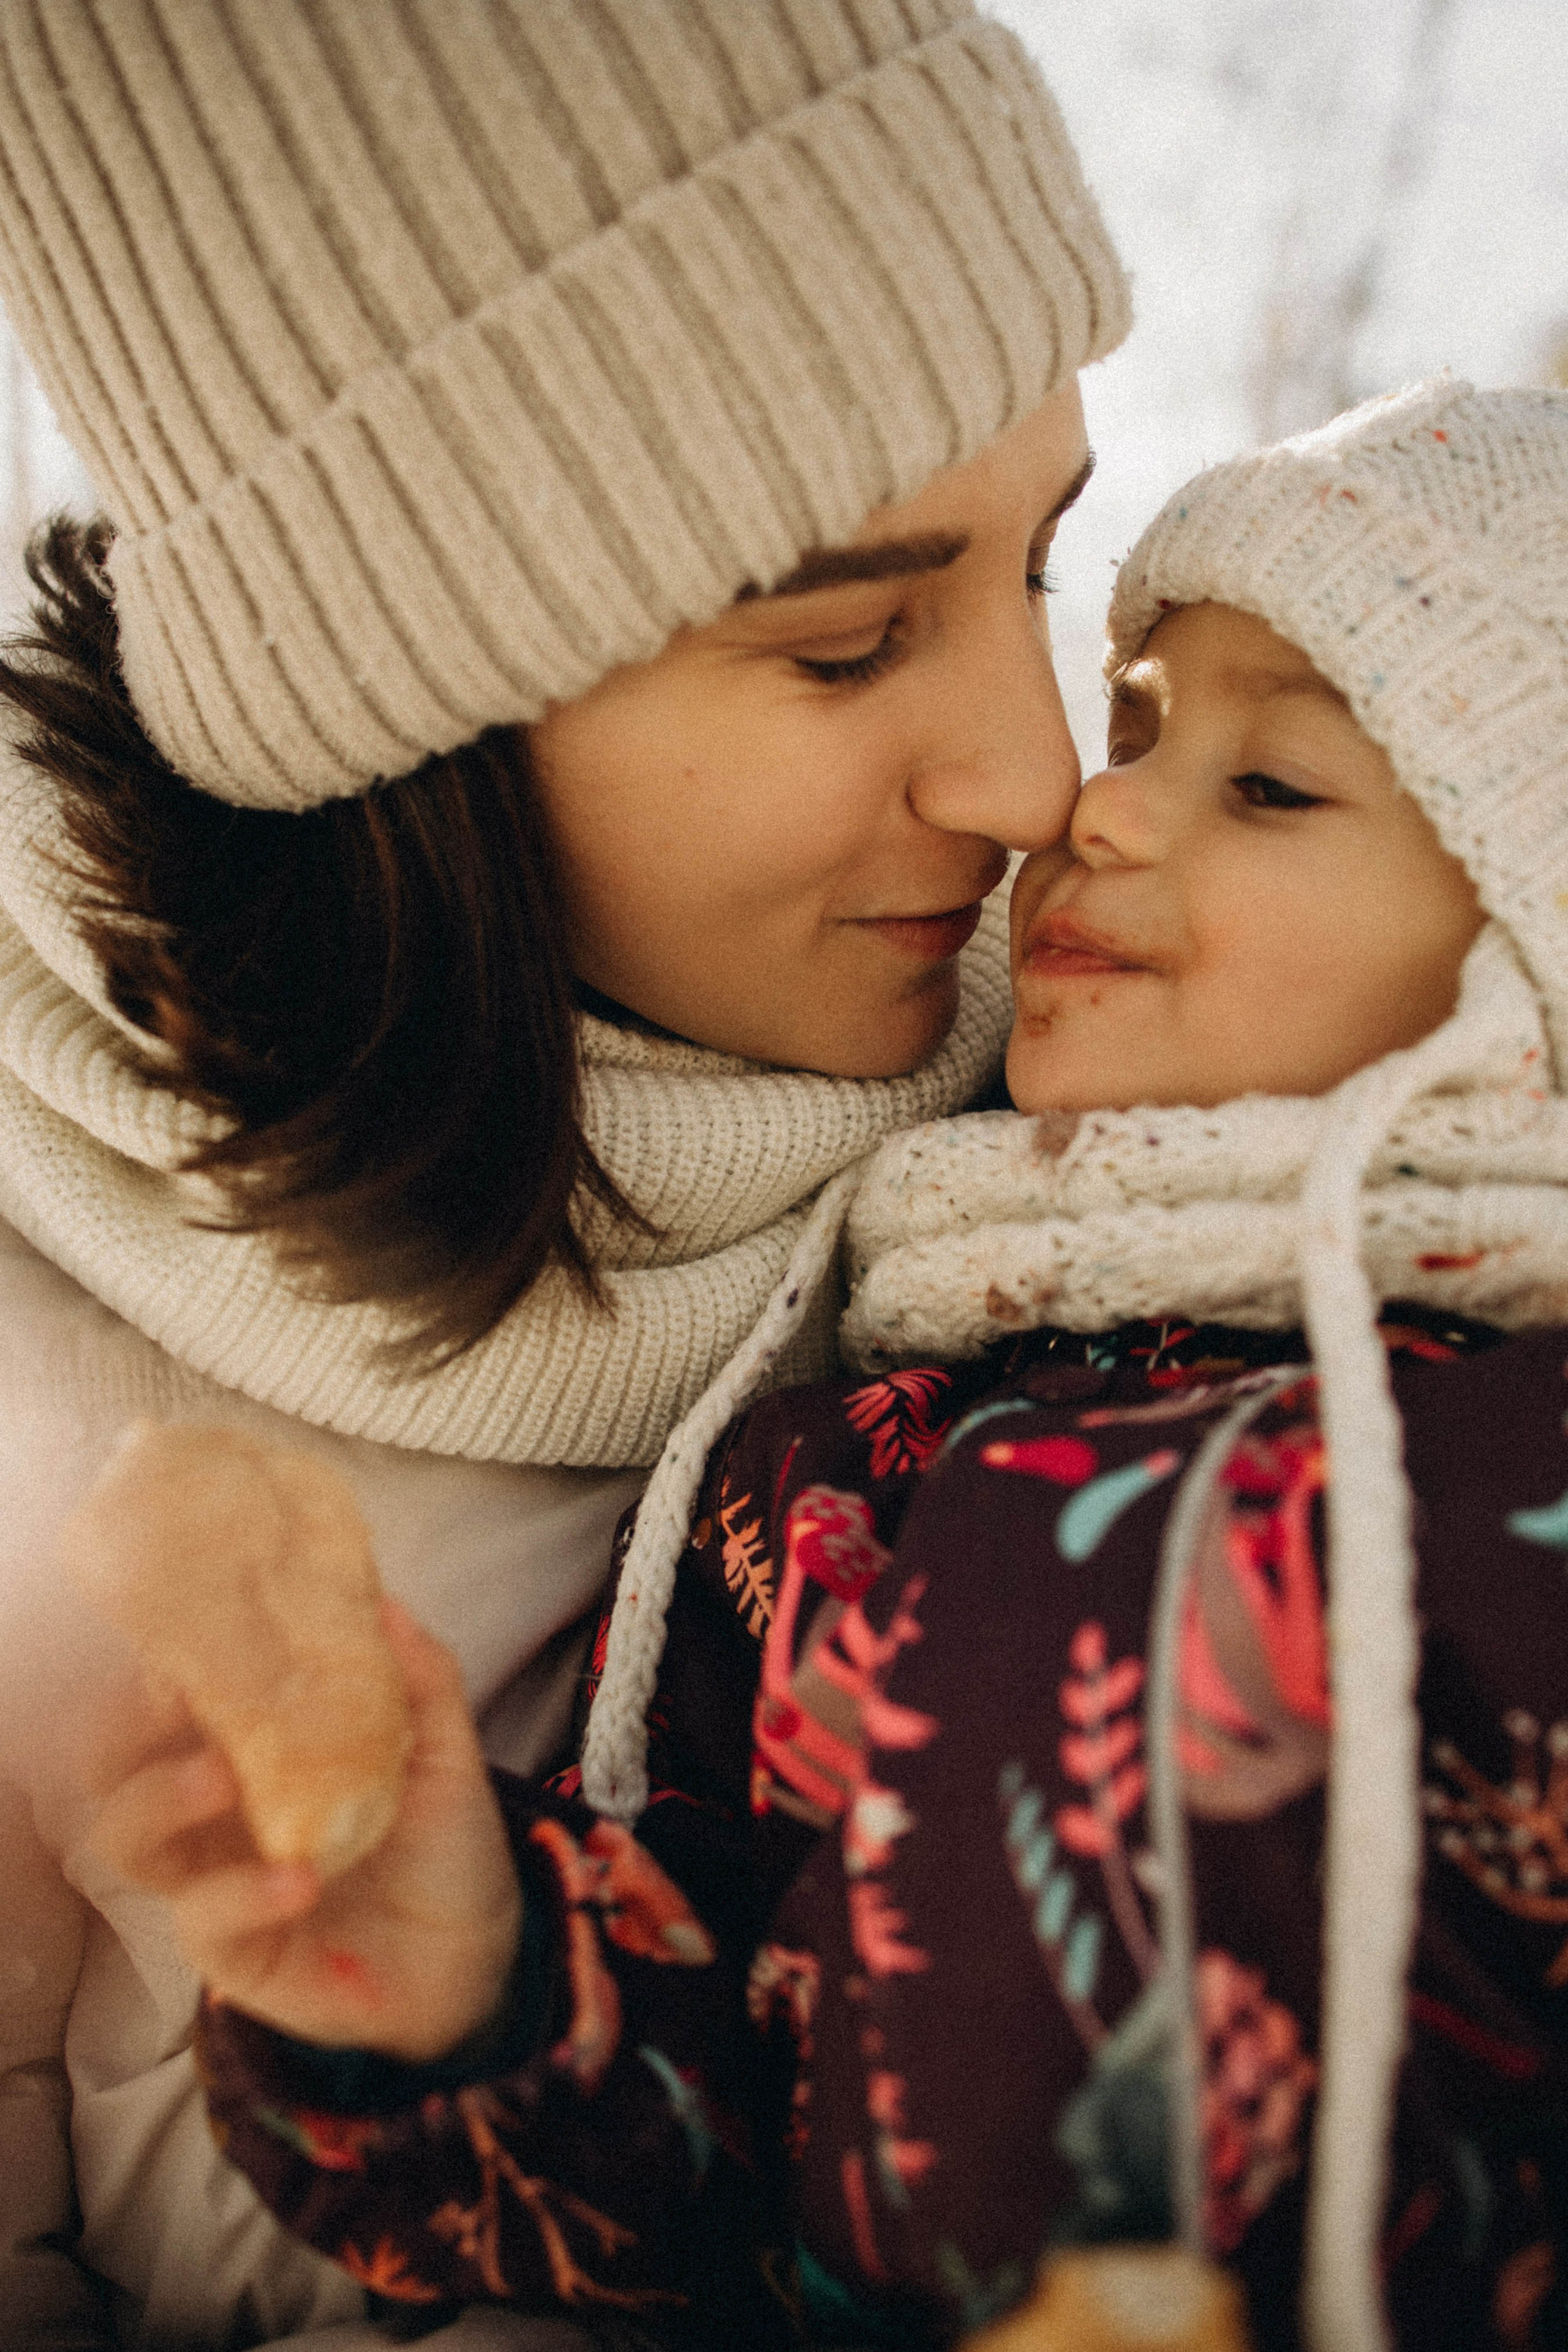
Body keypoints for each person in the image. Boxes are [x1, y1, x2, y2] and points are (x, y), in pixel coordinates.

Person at [123, 377, 1568, 2352]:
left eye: (1275, 787)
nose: (1092, 801)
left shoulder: (1526, 1447)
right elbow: (719, 2113)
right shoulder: (852, 1455)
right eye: (1140, 719)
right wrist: (480, 1992)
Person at [0, 4, 1133, 2346]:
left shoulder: (1188, 1072)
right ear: (400, 701)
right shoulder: (41, 1372)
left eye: (1045, 563)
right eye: (844, 642)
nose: (1039, 781)